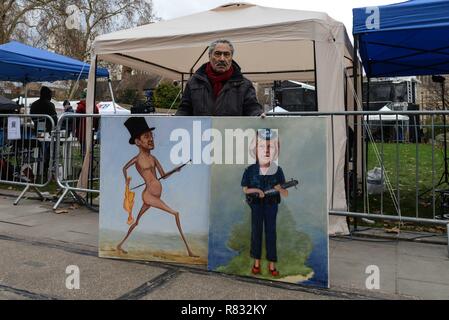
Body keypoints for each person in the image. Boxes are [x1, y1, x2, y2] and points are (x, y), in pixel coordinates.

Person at [117, 117, 196, 257]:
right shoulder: (137, 159)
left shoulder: (153, 159)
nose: (151, 139)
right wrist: (127, 182)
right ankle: (189, 251)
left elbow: (163, 176)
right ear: (137, 142)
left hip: (155, 194)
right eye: (146, 136)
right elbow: (124, 168)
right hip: (149, 195)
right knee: (175, 214)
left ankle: (119, 245)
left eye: (151, 135)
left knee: (136, 222)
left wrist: (174, 170)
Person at [241, 129, 288, 277]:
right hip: (255, 206)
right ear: (255, 149)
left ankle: (271, 266)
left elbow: (285, 192)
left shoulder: (277, 170)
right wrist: (257, 191)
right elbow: (245, 190)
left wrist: (280, 189)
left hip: (271, 206)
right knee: (256, 233)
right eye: (262, 146)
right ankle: (256, 265)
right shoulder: (250, 170)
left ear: (276, 150)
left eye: (270, 147)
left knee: (271, 233)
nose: (266, 150)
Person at [176, 39, 263, 116]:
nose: (222, 59)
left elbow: (252, 108)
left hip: (232, 134)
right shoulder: (193, 82)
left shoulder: (244, 84)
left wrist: (258, 115)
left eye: (226, 54)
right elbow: (184, 109)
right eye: (217, 54)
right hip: (200, 133)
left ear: (231, 58)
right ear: (209, 56)